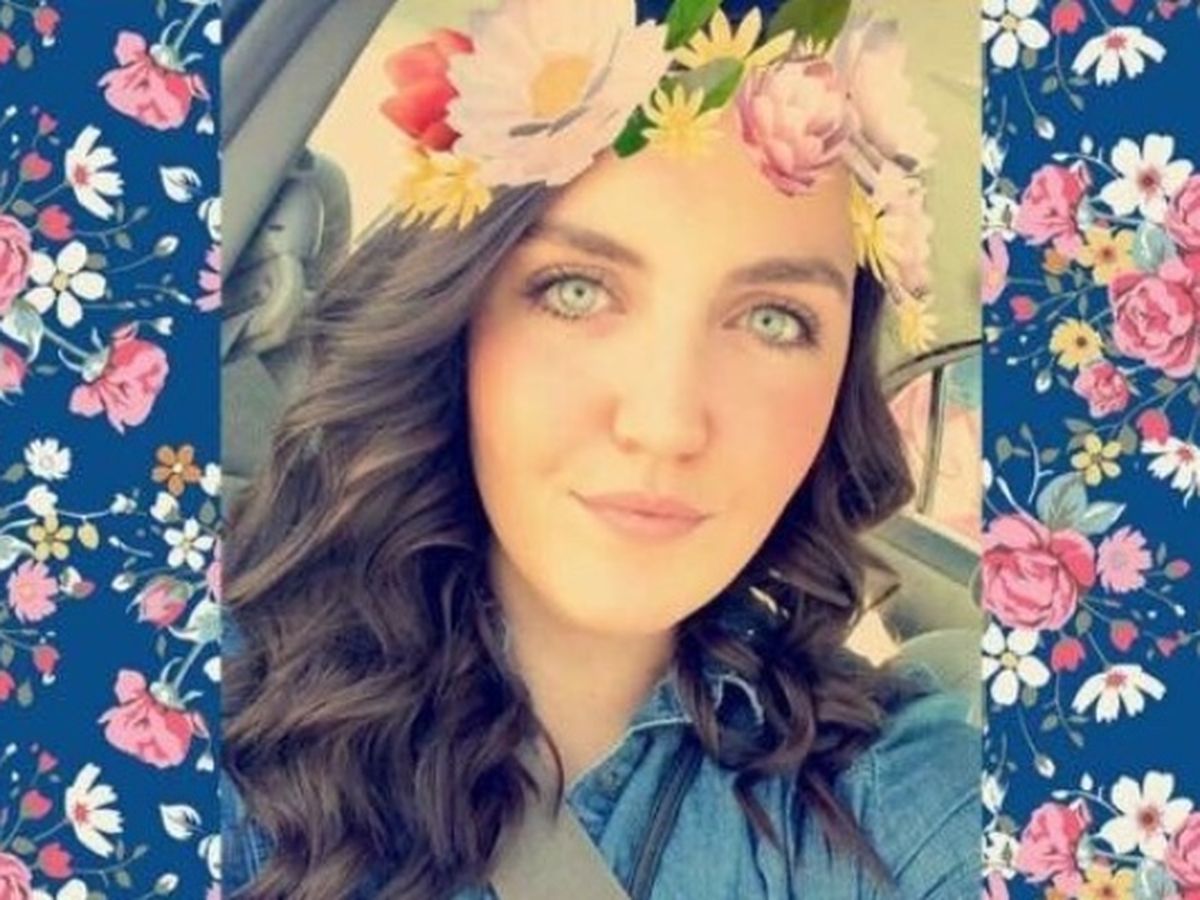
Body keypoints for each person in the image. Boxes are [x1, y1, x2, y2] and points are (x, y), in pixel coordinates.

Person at [220, 1, 979, 898]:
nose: (665, 424)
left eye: (774, 320)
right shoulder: (204, 691)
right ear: (458, 324)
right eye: (575, 291)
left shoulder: (903, 799)